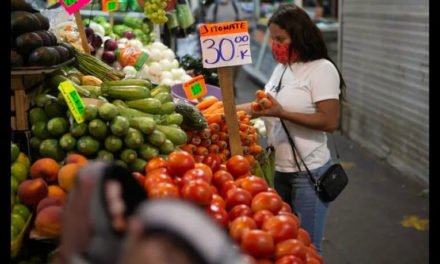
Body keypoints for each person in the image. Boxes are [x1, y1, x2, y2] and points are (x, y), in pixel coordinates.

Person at [237, 3, 346, 253]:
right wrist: (225, 109)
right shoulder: (281, 69)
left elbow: (329, 122)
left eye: (280, 38)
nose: (275, 44)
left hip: (309, 174)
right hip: (278, 171)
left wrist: (282, 112)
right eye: (273, 38)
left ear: (299, 35)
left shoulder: (322, 69)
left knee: (307, 248)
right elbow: (262, 106)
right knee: (283, 247)